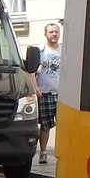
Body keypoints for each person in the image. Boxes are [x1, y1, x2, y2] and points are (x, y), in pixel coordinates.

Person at [34, 23, 62, 163]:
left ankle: (62, 152)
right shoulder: (41, 50)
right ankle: (43, 152)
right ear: (46, 34)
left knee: (64, 124)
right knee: (46, 124)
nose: (54, 34)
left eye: (56, 31)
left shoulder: (63, 50)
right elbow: (31, 71)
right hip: (45, 92)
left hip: (61, 94)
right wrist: (36, 87)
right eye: (51, 32)